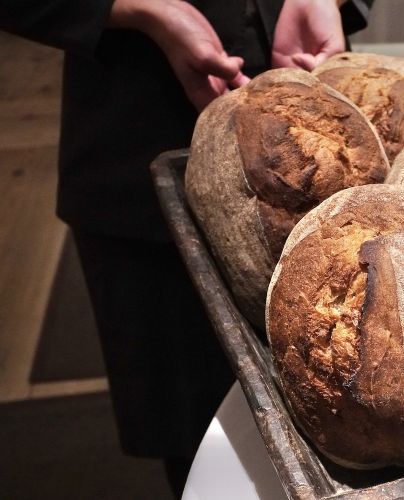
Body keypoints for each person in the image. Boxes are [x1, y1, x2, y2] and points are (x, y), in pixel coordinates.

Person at [0, 0, 373, 495]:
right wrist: (139, 9)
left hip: (324, 121)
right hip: (140, 132)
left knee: (361, 418)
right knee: (204, 447)